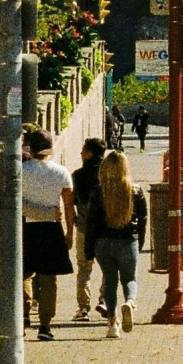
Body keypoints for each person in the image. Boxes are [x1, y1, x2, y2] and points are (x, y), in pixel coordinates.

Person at [83, 149, 147, 336]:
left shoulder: (98, 191)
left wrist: (88, 251)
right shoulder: (135, 190)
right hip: (128, 241)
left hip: (103, 243)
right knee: (129, 278)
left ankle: (112, 324)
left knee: (109, 282)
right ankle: (130, 301)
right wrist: (139, 243)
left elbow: (91, 224)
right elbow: (142, 220)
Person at [18, 130, 76, 340]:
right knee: (49, 279)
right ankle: (45, 325)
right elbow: (69, 207)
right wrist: (70, 232)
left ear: (30, 148)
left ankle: (23, 315)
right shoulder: (61, 173)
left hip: (25, 227)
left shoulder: (21, 171)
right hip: (51, 228)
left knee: (23, 274)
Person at [69, 137, 104, 322]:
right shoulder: (109, 173)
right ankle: (105, 300)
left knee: (84, 268)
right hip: (107, 228)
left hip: (84, 227)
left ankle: (83, 308)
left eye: (83, 151)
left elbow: (73, 201)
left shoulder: (77, 175)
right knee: (108, 267)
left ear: (89, 153)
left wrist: (73, 222)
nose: (81, 154)